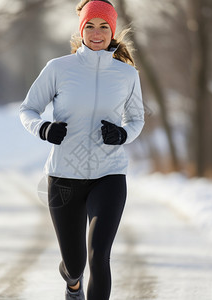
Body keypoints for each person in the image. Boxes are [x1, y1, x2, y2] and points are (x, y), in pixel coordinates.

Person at [19, 0, 144, 299]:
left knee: (98, 255)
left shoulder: (127, 75)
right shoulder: (59, 68)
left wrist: (123, 134)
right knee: (75, 264)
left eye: (103, 26)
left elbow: (136, 118)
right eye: (90, 25)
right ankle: (72, 282)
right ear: (81, 29)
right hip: (64, 175)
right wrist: (44, 128)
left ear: (112, 31)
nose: (96, 32)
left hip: (109, 175)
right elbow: (28, 109)